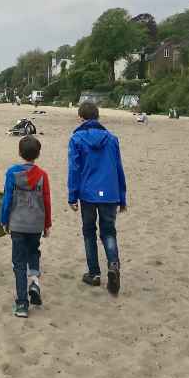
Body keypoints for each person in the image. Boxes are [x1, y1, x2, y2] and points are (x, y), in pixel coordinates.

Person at [68, 101, 127, 295]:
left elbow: (74, 169)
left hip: (88, 193)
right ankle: (113, 264)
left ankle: (94, 273)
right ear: (98, 117)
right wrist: (122, 197)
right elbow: (118, 168)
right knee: (109, 231)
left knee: (89, 231)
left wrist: (72, 196)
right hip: (110, 192)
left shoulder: (77, 138)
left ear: (81, 117)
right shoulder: (111, 139)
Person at [0, 136, 52, 318]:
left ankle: (22, 303)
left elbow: (7, 198)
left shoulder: (12, 173)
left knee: (19, 263)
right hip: (36, 223)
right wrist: (47, 224)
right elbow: (46, 201)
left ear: (20, 153)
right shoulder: (42, 175)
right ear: (38, 154)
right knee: (33, 253)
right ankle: (35, 282)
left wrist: (4, 219)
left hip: (18, 223)